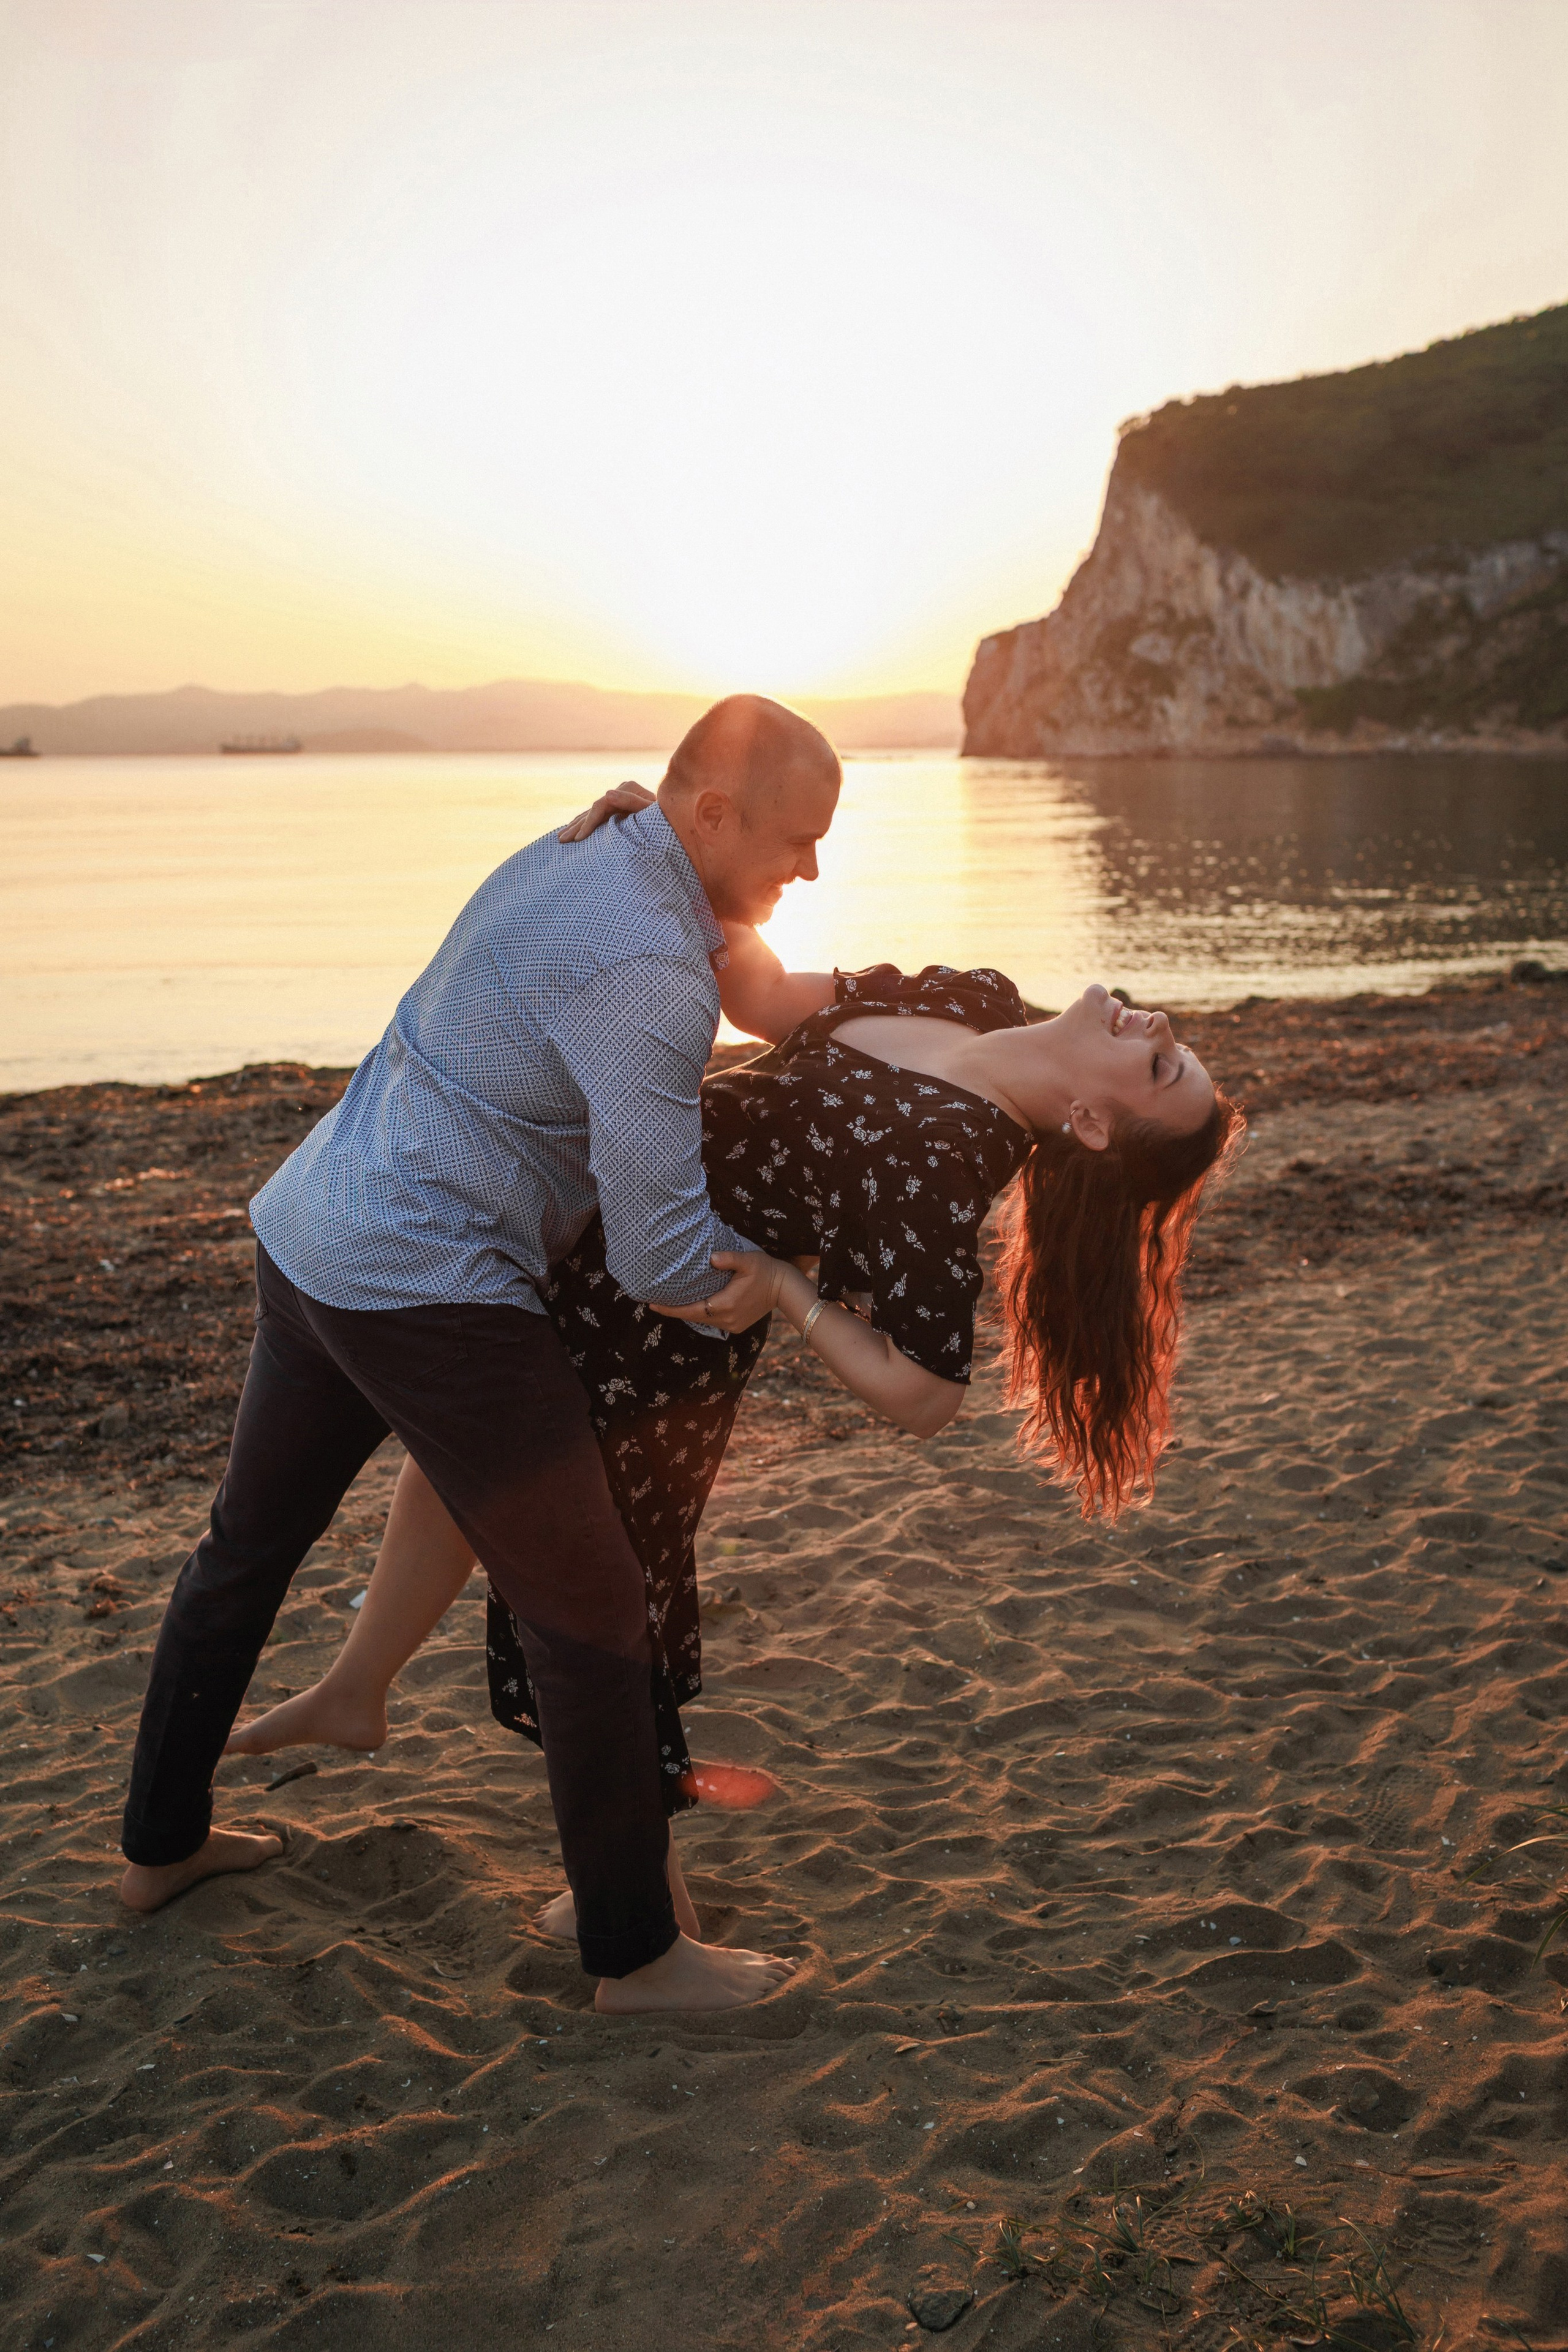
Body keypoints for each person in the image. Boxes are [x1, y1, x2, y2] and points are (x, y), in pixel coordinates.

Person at [229, 845, 1243, 1940]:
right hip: (594, 1231)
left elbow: (926, 1393)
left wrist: (786, 1293)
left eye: (1159, 1070)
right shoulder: (975, 997)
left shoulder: (950, 1155)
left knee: (618, 1595)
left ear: (1092, 1127)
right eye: (1170, 1047)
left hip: (666, 1332)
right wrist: (668, 841)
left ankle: (638, 1905)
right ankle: (358, 1689)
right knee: (463, 1471)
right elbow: (756, 991)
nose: (1155, 1030)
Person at [117, 695, 845, 2021]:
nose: (811, 871)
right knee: (591, 1606)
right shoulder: (652, 975)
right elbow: (660, 1256)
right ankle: (637, 1959)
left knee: (243, 1552)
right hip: (427, 1284)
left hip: (314, 1226)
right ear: (713, 814)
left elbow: (704, 928)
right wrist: (783, 1288)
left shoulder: (582, 847)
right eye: (795, 840)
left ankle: (157, 1852)